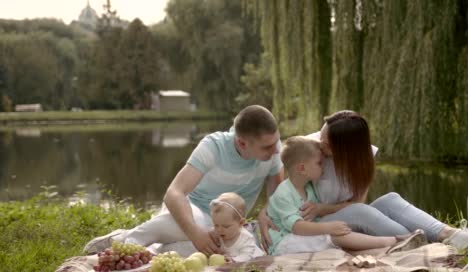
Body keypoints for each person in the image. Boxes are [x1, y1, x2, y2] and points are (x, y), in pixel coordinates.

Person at [258, 110, 468, 252]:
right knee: (362, 212)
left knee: (390, 199)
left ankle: (451, 235)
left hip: (338, 214)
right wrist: (264, 212)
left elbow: (357, 201)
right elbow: (284, 183)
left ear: (347, 149)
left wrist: (325, 207)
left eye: (327, 143)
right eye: (321, 136)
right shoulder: (311, 149)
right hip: (319, 223)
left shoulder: (363, 158)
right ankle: (414, 242)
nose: (321, 144)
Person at [84, 105, 284, 256]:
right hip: (192, 211)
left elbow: (277, 192)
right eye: (267, 147)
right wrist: (196, 234)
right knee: (194, 236)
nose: (275, 150)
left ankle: (145, 243)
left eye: (276, 142)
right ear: (242, 143)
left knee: (214, 251)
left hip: (225, 225)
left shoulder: (273, 149)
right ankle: (126, 240)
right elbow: (174, 194)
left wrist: (266, 212)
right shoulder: (213, 146)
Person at [266, 136, 424, 256]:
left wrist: (328, 226)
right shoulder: (284, 193)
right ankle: (392, 242)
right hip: (285, 241)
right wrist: (327, 227)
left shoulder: (308, 188)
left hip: (303, 234)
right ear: (302, 168)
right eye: (320, 163)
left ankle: (392, 243)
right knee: (335, 236)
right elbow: (297, 227)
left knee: (336, 235)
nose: (324, 167)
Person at [156, 192, 265, 263]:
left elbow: (247, 256)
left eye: (226, 226)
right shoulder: (218, 232)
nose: (220, 230)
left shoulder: (246, 239)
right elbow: (211, 239)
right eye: (216, 225)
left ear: (241, 223)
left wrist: (234, 260)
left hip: (250, 259)